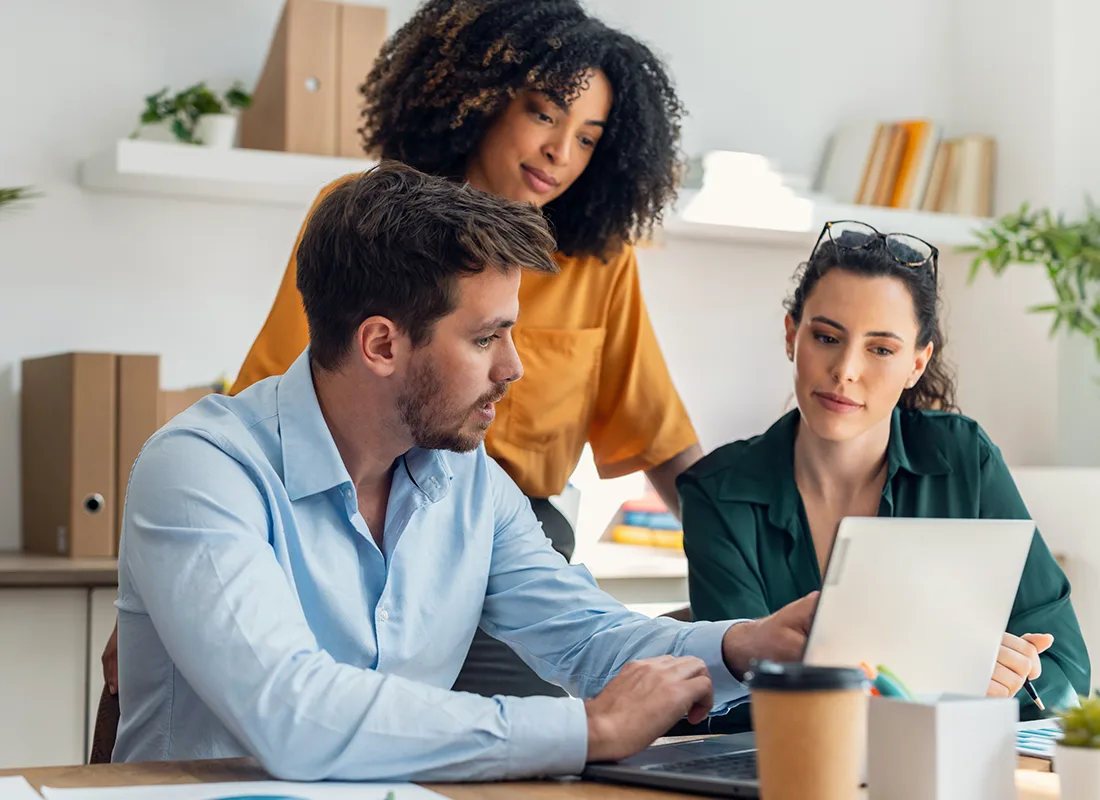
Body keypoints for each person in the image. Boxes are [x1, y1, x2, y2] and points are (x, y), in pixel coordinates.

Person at [112, 163, 815, 780]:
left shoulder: (468, 480)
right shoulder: (201, 471)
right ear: (382, 344)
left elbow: (585, 635)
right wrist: (587, 730)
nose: (513, 368)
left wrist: (742, 645)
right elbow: (294, 713)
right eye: (486, 338)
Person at [679, 220, 1091, 729]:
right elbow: (739, 704)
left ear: (918, 363)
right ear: (792, 335)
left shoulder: (966, 459)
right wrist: (941, 684)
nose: (846, 369)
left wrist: (1007, 682)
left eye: (881, 349)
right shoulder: (717, 491)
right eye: (827, 337)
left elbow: (1066, 674)